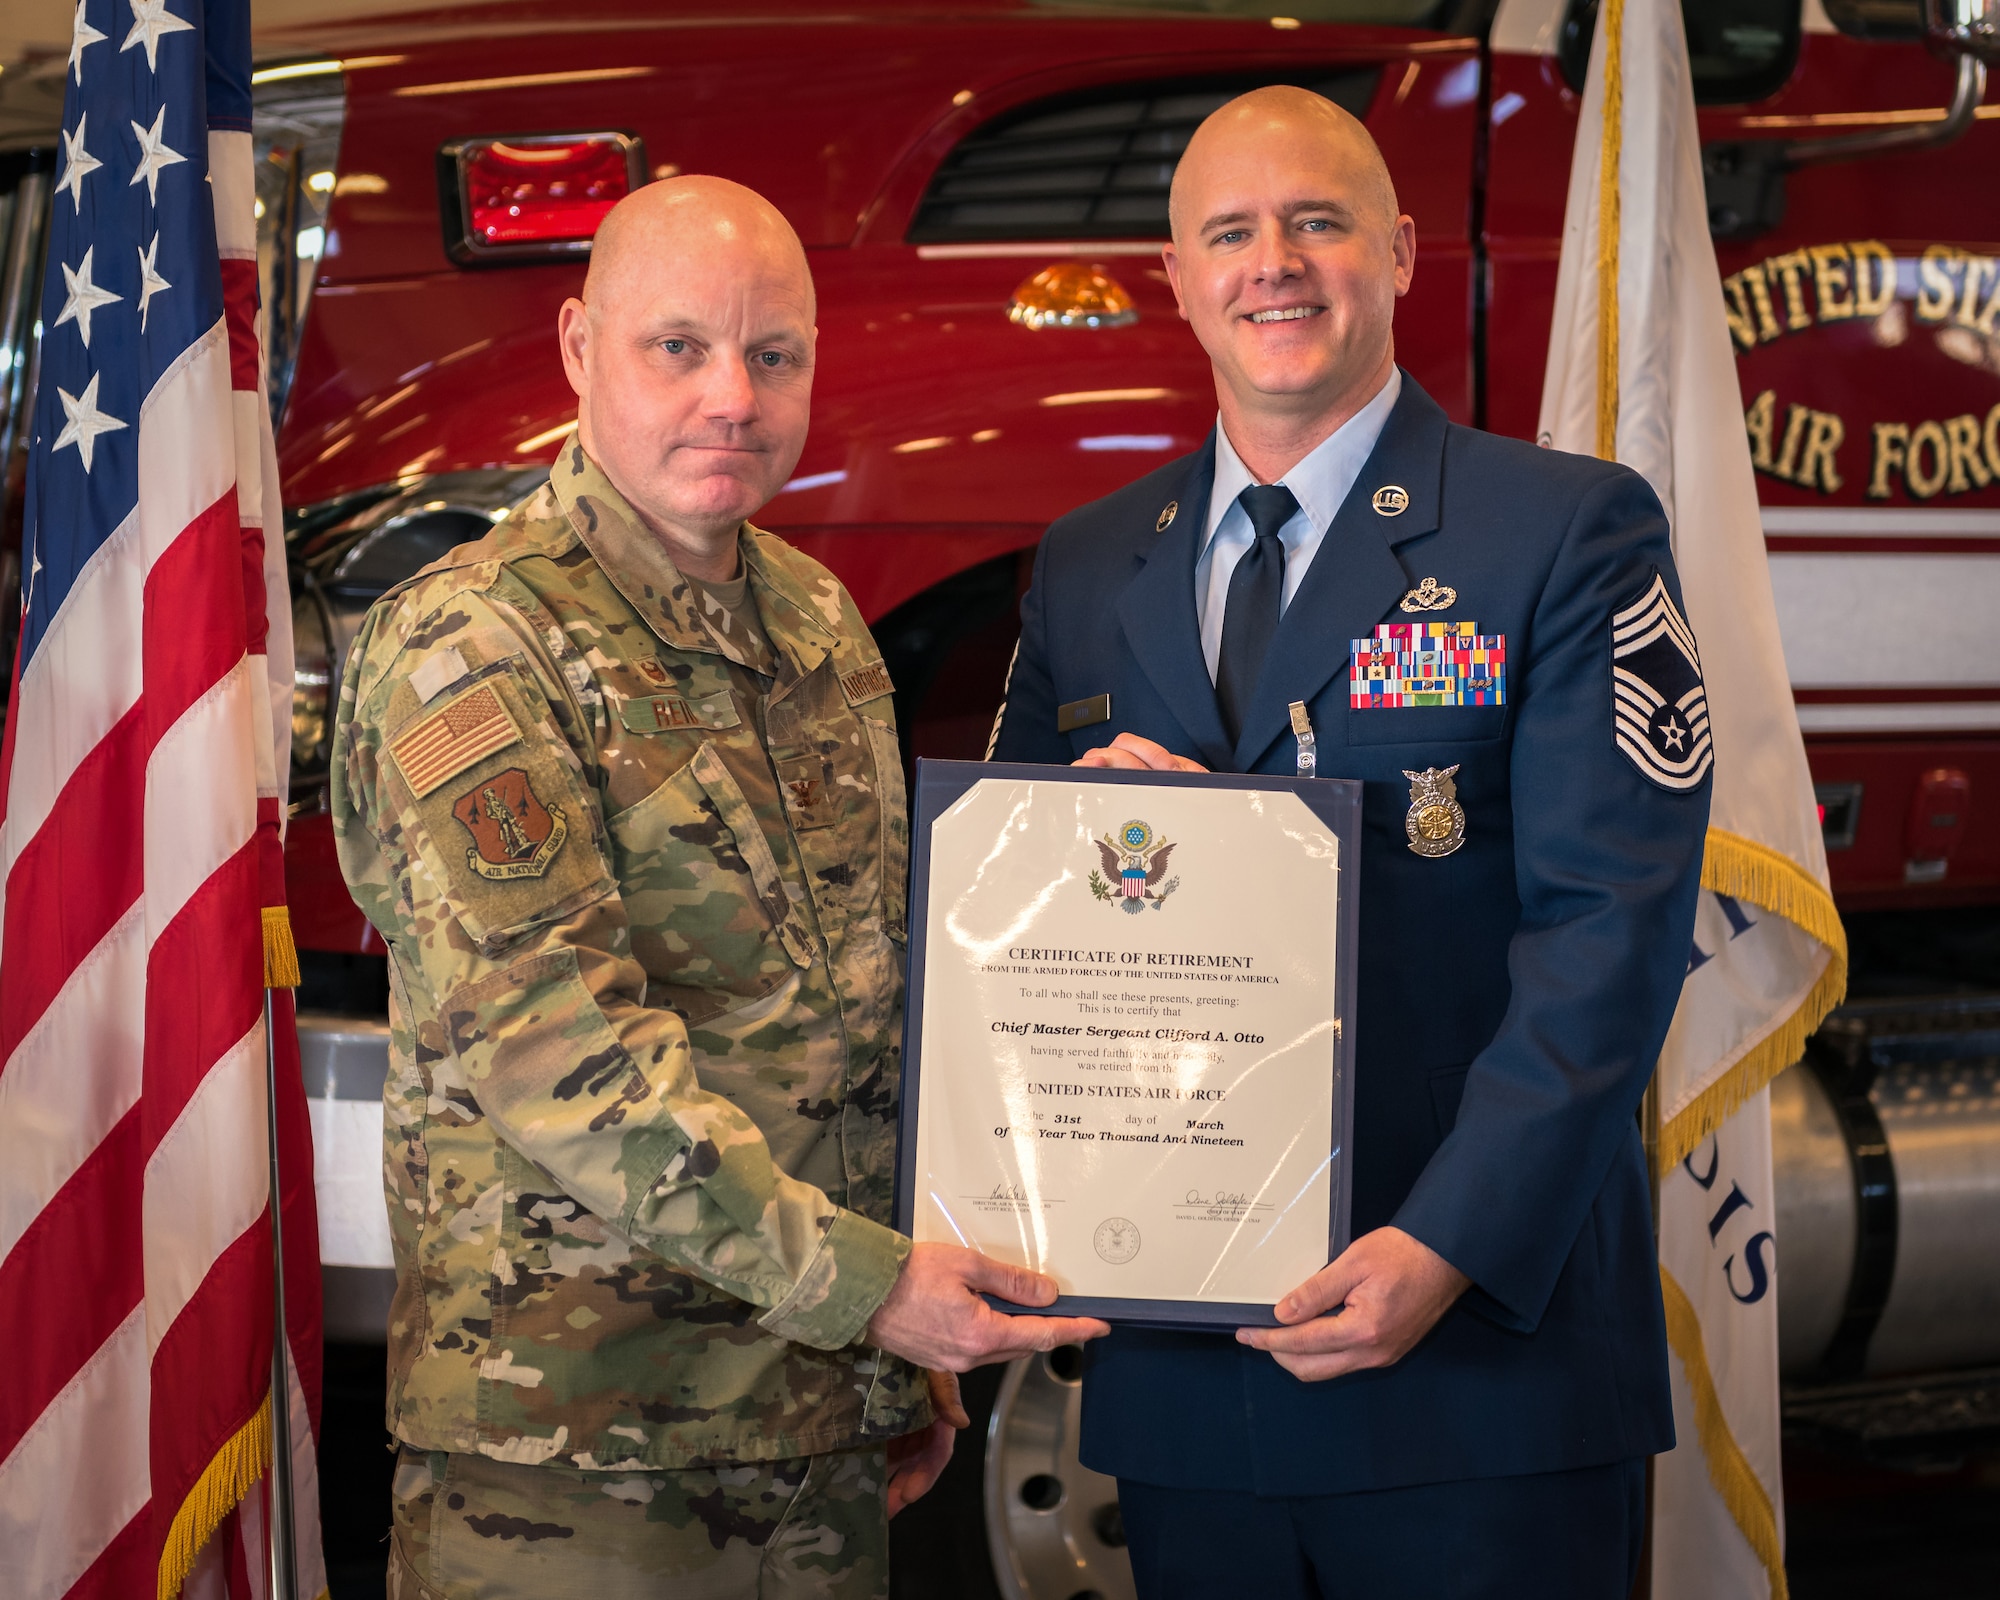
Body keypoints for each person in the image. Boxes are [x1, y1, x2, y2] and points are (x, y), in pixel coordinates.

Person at [333, 174, 1106, 1600]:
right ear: (578, 349)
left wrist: (894, 1349)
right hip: (578, 1451)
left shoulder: (812, 616)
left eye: (773, 355)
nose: (731, 401)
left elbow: (865, 1001)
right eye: (675, 347)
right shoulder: (472, 645)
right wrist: (875, 1291)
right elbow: (554, 1047)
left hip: (812, 1417)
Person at [988, 87, 1711, 1597]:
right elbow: (1001, 950)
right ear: (1175, 279)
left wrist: (1444, 1247)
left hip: (1476, 1368)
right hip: (1187, 1381)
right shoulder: (1086, 564)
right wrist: (1067, 852)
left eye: (1318, 222)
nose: (1278, 264)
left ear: (1398, 247)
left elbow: (1611, 930)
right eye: (1232, 233)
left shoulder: (1564, 531)